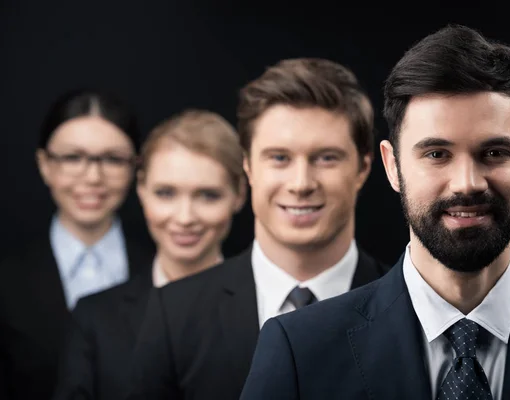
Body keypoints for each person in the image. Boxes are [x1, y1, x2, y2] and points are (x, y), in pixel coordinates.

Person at [240, 25, 510, 400]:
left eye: (494, 153)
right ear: (392, 166)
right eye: (436, 154)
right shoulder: (298, 351)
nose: (466, 183)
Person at [125, 58, 390, 400]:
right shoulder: (173, 316)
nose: (301, 183)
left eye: (326, 157)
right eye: (279, 157)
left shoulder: (411, 311)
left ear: (363, 168)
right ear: (248, 166)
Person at [51, 109, 246, 400]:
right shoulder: (95, 318)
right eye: (166, 193)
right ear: (141, 189)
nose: (184, 217)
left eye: (208, 195)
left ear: (239, 194)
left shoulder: (270, 308)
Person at [0, 89, 154, 400]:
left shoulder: (164, 272)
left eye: (112, 159)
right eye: (72, 157)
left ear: (136, 167)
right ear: (45, 164)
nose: (93, 177)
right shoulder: (6, 280)